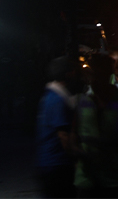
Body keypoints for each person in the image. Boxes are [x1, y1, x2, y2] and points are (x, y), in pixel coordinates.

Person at [72, 53, 118, 198]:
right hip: (91, 180)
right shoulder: (80, 102)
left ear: (108, 73)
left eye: (98, 73)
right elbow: (72, 138)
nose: (94, 78)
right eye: (92, 73)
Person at [36, 55, 79, 198]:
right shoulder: (57, 99)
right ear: (67, 74)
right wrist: (78, 158)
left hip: (49, 163)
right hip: (57, 165)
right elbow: (63, 136)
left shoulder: (50, 96)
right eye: (73, 71)